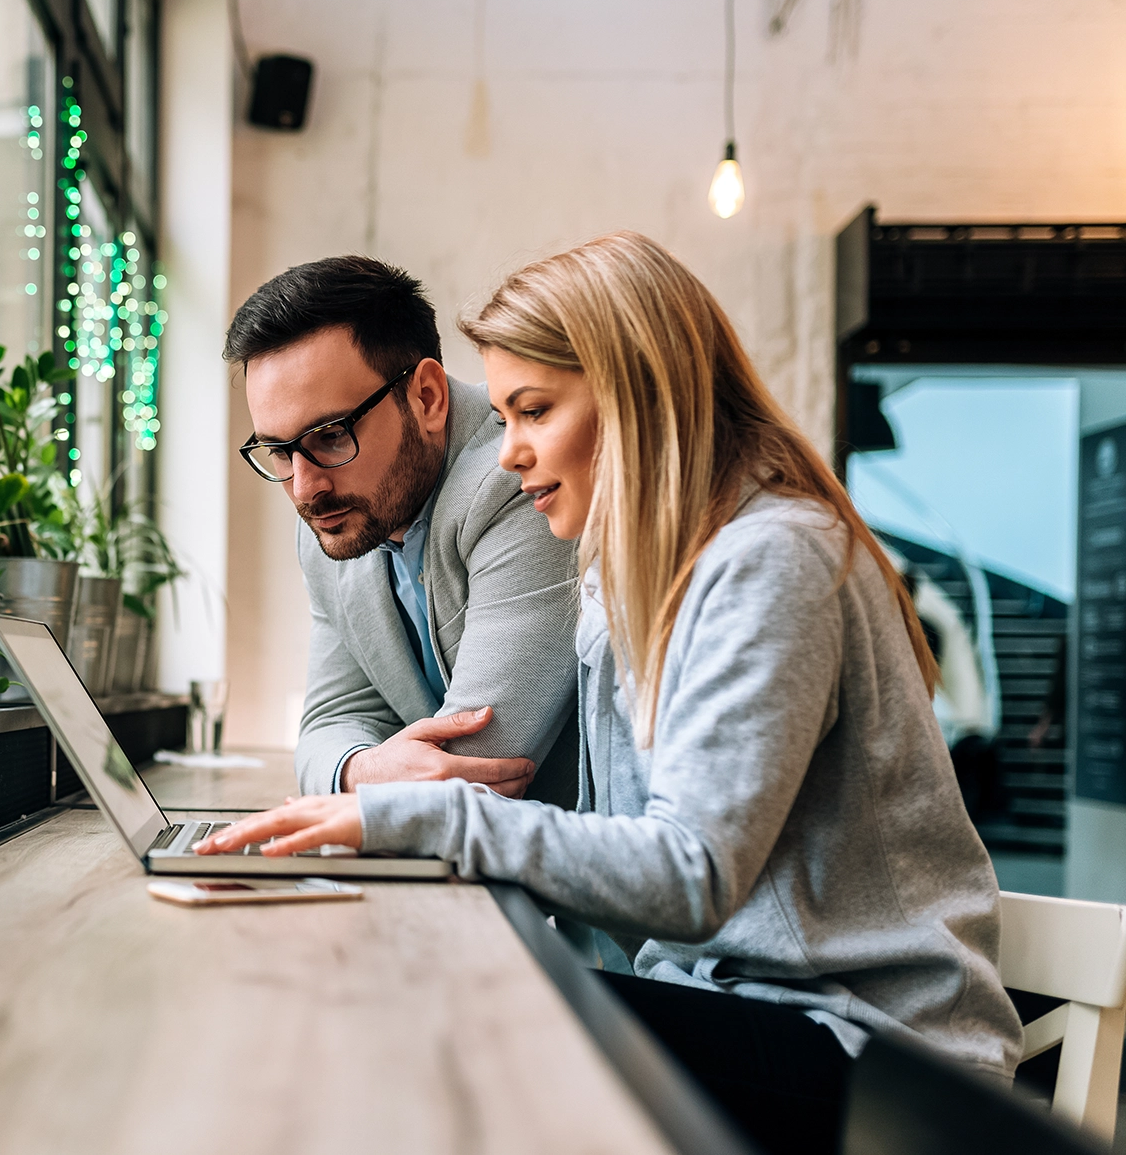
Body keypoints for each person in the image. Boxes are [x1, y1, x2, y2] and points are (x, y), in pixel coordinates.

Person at [200, 233, 1022, 1155]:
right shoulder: (634, 575)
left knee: (443, 1026)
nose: (508, 454)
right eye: (505, 416)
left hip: (878, 1058)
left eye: (534, 411)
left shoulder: (773, 558)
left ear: (640, 398)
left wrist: (405, 814)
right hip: (738, 1007)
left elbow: (692, 875)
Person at [223, 256, 581, 804]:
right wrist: (358, 771)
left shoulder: (525, 480)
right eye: (279, 452)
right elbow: (330, 722)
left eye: (331, 436)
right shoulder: (339, 518)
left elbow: (478, 765)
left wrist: (362, 779)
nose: (303, 489)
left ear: (427, 398)